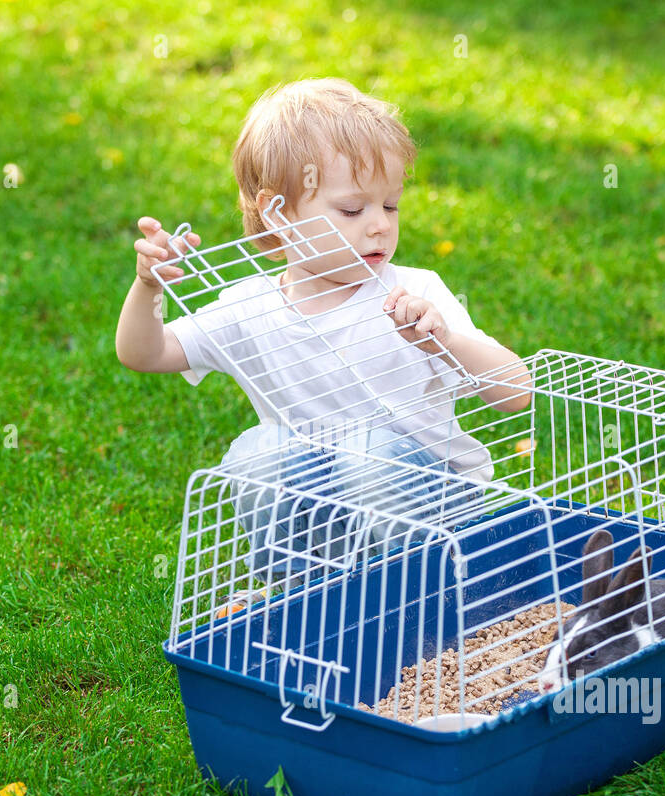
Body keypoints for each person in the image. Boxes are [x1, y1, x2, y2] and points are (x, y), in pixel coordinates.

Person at [116, 77, 533, 614]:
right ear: (278, 213)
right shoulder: (250, 305)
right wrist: (149, 285)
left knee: (368, 453)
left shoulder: (415, 291)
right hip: (327, 521)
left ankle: (419, 602)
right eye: (353, 211)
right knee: (255, 454)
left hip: (434, 515)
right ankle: (309, 599)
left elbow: (517, 392)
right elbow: (144, 354)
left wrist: (445, 341)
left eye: (392, 206)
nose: (380, 227)